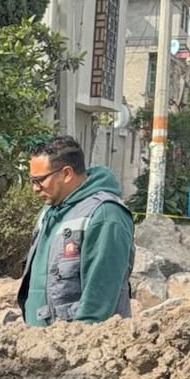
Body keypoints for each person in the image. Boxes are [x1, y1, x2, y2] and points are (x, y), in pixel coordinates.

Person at [17, 135, 135, 327]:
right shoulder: (50, 211)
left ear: (66, 173)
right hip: (42, 340)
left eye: (39, 180)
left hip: (76, 346)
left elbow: (100, 296)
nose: (34, 189)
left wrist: (79, 344)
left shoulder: (104, 214)